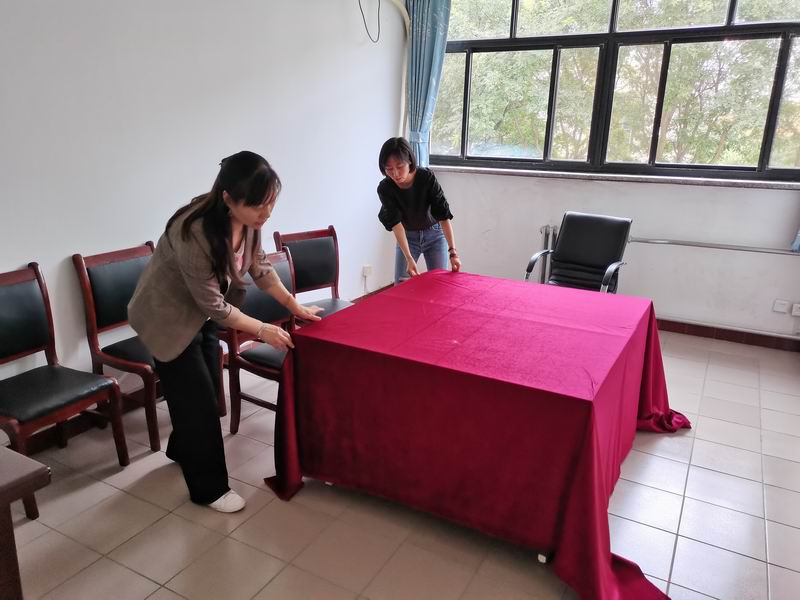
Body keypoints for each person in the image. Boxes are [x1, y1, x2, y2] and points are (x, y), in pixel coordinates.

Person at [128, 151, 322, 513]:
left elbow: (260, 267)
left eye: (271, 203)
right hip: (166, 319)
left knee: (205, 394)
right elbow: (215, 306)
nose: (266, 213)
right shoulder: (193, 232)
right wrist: (262, 329)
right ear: (229, 199)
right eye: (259, 205)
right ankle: (209, 490)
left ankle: (183, 449)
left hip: (199, 316)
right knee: (200, 404)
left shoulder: (249, 221)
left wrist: (293, 306)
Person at [376, 137, 461, 284]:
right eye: (389, 169)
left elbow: (443, 215)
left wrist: (453, 252)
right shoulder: (385, 188)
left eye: (400, 166)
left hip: (434, 235)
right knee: (401, 286)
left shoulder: (426, 177)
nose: (395, 174)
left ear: (409, 161)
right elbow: (396, 224)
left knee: (439, 285)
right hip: (407, 237)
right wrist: (409, 258)